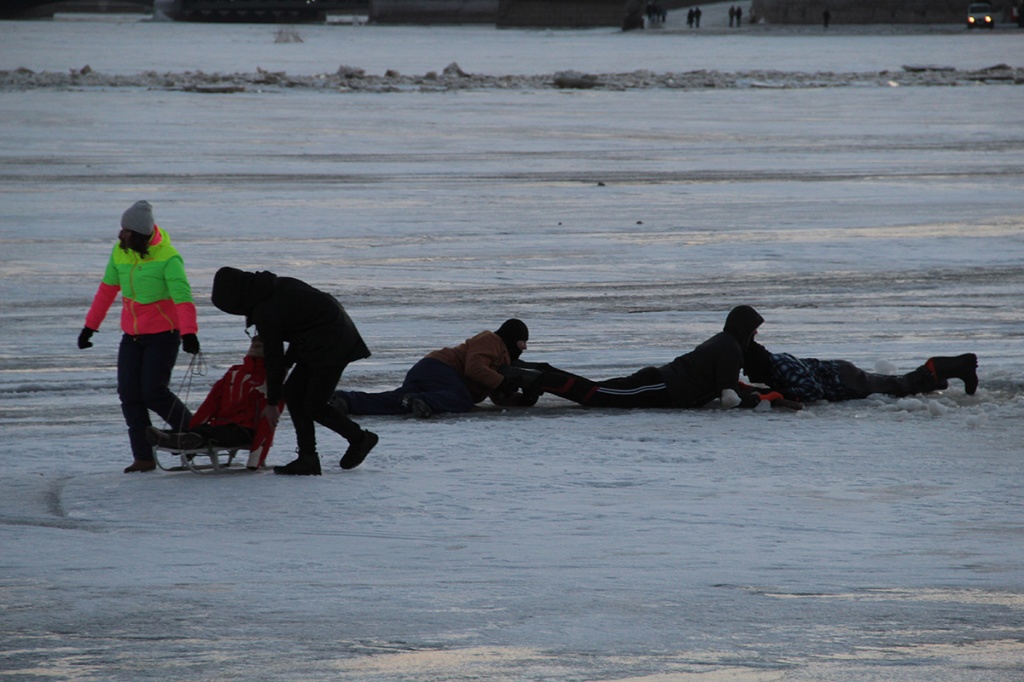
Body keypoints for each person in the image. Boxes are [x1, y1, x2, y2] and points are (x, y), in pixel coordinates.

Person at [210, 267, 376, 476]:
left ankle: (360, 439)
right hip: (320, 339)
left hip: (333, 344)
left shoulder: (266, 309)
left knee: (313, 405)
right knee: (294, 394)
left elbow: (274, 356)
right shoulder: (275, 287)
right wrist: (286, 370)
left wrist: (272, 403)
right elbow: (300, 327)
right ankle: (308, 458)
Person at [78, 200, 200, 473]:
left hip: (164, 335)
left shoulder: (169, 257)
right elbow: (107, 291)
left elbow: (183, 298)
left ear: (139, 234)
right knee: (129, 394)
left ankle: (195, 435)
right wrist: (90, 327)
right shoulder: (120, 253)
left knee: (154, 393)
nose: (121, 235)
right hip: (132, 336)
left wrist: (189, 332)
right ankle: (143, 457)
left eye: (126, 231)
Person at [501, 306, 773, 410]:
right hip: (660, 386)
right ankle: (533, 376)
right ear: (743, 328)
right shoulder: (731, 349)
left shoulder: (726, 342)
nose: (757, 333)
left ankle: (533, 370)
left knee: (596, 389)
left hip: (659, 383)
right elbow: (728, 398)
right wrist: (757, 401)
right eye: (754, 328)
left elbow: (725, 385)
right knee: (596, 394)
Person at [331, 319, 534, 419]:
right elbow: (474, 368)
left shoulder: (502, 361)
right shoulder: (491, 340)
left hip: (430, 372)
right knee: (461, 399)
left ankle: (346, 401)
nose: (524, 347)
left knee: (397, 401)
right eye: (522, 341)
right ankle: (423, 400)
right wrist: (504, 382)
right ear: (511, 337)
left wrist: (523, 398)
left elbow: (497, 396)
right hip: (440, 367)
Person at [145, 336, 284, 470]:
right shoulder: (235, 372)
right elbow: (212, 403)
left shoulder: (270, 380)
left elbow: (269, 421)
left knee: (212, 434)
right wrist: (194, 426)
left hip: (245, 431)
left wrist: (256, 458)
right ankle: (177, 437)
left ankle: (181, 438)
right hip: (222, 425)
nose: (255, 346)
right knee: (205, 431)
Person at [743, 341, 978, 403]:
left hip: (843, 379)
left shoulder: (779, 365)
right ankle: (939, 379)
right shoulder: (773, 366)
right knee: (896, 385)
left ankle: (944, 366)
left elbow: (810, 390)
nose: (746, 372)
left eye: (746, 368)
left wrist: (777, 395)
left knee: (902, 386)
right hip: (841, 375)